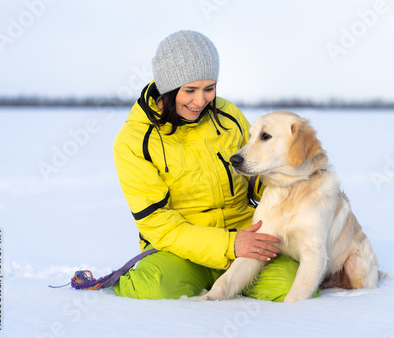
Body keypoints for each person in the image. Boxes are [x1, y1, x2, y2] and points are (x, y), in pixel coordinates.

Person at [112, 30, 320, 301]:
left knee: (294, 284)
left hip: (249, 236)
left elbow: (255, 174)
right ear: (168, 86)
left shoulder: (228, 115)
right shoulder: (133, 141)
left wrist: (303, 184)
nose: (201, 101)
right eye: (190, 90)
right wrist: (229, 245)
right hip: (181, 251)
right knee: (154, 287)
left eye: (209, 88)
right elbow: (158, 224)